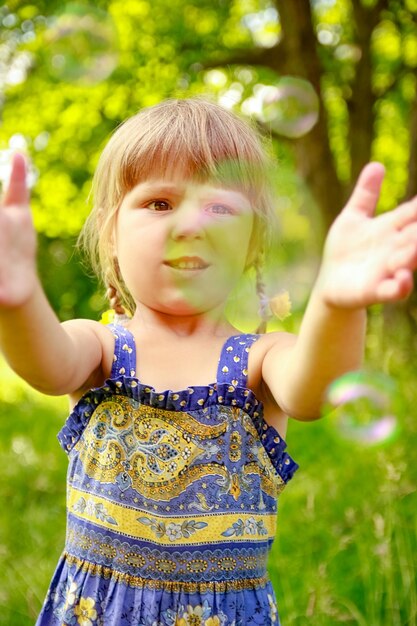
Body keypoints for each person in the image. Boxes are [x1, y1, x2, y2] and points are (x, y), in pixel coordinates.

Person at [1, 98, 417, 626]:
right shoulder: (100, 348)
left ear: (252, 245)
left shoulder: (263, 358)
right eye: (158, 203)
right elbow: (45, 363)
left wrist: (338, 304)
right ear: (111, 233)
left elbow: (314, 390)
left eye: (219, 207)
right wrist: (16, 298)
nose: (190, 225)